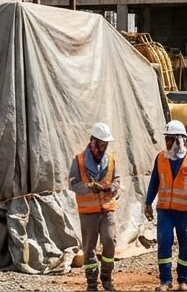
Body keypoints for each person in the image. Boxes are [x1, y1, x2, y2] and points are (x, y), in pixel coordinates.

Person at [143, 119, 187, 292]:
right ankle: (165, 281)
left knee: (186, 245)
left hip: (185, 211)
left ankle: (183, 281)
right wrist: (148, 202)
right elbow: (154, 182)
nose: (167, 142)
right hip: (165, 210)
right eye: (166, 139)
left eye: (170, 139)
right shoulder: (161, 158)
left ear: (179, 139)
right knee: (164, 242)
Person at [70, 122, 120, 291]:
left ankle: (106, 277)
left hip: (106, 209)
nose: (104, 147)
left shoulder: (111, 160)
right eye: (101, 144)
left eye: (106, 144)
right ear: (93, 141)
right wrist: (89, 188)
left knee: (109, 240)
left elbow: (117, 180)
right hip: (88, 212)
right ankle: (92, 283)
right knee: (89, 248)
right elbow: (73, 184)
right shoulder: (79, 160)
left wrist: (110, 188)